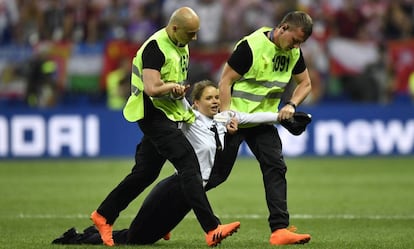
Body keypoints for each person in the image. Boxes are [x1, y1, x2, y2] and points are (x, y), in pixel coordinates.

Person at [53, 80, 311, 245]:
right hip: (176, 189)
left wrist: (283, 116)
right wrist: (175, 90)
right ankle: (78, 239)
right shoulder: (189, 120)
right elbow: (176, 103)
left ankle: (89, 235)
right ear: (196, 103)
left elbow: (255, 118)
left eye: (216, 98)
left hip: (190, 195)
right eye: (208, 98)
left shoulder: (225, 119)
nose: (215, 102)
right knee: (136, 239)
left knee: (141, 237)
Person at [90, 7, 240, 247]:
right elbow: (151, 88)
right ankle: (212, 228)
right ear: (174, 28)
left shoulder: (181, 43)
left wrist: (177, 90)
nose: (195, 38)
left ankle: (103, 215)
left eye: (196, 33)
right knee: (188, 164)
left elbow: (171, 81)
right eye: (191, 33)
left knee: (145, 172)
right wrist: (171, 87)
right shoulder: (154, 48)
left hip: (168, 112)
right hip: (152, 113)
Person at [206, 11, 314, 245]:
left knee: (275, 166)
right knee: (214, 175)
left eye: (300, 43)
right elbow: (225, 82)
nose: (296, 46)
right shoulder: (251, 47)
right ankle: (166, 214)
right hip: (235, 119)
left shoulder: (293, 52)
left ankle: (279, 230)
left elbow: (306, 83)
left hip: (262, 121)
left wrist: (292, 104)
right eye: (295, 40)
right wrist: (225, 117)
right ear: (283, 28)